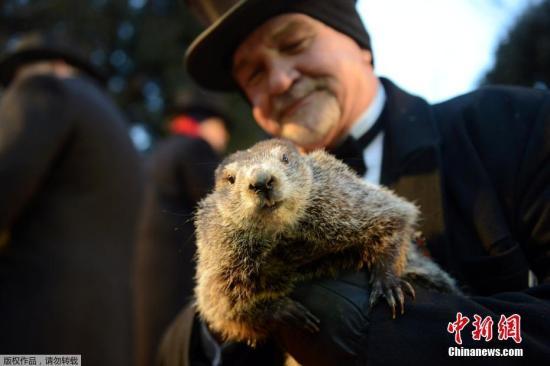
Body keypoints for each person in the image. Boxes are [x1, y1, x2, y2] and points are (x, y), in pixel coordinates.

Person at [158, 0, 550, 364]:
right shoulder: (240, 194)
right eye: (254, 73)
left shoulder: (512, 124)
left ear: (360, 43)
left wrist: (396, 333)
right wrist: (229, 314)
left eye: (294, 42)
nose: (278, 80)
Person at [0, 32, 144, 365]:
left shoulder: (46, 88)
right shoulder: (114, 125)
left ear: (57, 66)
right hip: (105, 338)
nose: (12, 90)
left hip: (32, 334)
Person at [134, 99, 230, 366]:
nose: (224, 138)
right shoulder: (195, 148)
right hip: (179, 276)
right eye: (222, 129)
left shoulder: (158, 152)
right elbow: (223, 207)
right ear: (208, 125)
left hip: (145, 279)